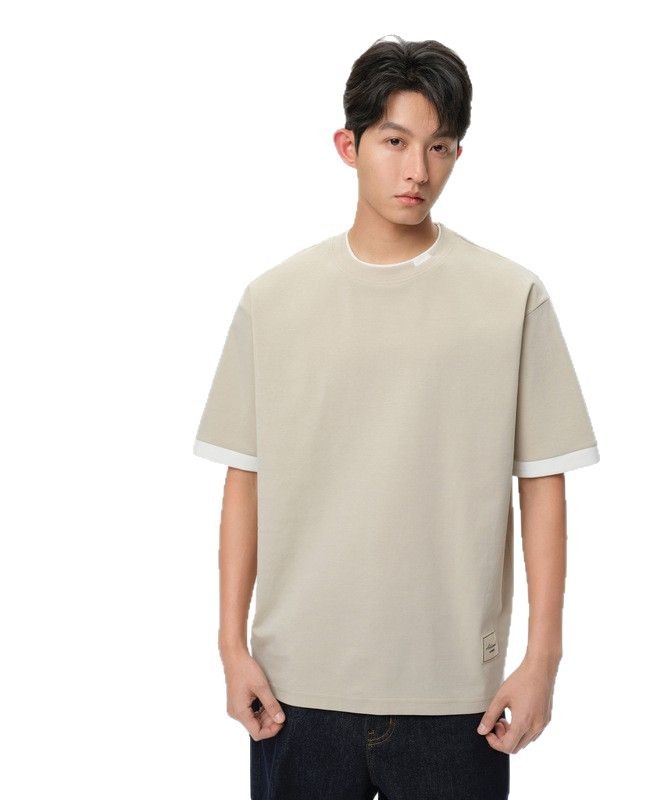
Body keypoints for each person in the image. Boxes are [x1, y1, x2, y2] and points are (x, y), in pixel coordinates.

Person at [193, 34, 599, 800]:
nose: (418, 170)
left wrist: (542, 658)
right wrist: (230, 645)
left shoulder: (509, 297)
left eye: (439, 147)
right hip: (296, 691)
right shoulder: (273, 302)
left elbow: (543, 481)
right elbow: (245, 478)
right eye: (395, 142)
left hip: (456, 695)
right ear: (348, 146)